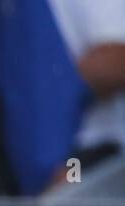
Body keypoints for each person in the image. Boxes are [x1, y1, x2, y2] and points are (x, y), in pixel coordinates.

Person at [47, 0, 125, 173]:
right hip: (3, 145)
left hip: (84, 151)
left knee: (68, 192)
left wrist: (45, 101)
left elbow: (115, 61)